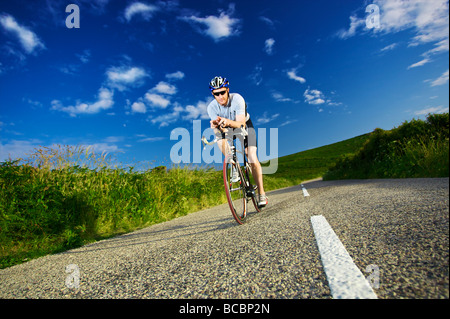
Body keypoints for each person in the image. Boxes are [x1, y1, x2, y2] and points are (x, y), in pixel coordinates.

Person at [206, 76, 268, 207]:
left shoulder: (237, 99)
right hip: (227, 128)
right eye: (216, 94)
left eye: (223, 92)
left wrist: (227, 121)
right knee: (218, 137)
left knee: (251, 156)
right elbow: (219, 133)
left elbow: (241, 125)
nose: (220, 96)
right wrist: (216, 127)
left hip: (244, 125)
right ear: (213, 94)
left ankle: (261, 193)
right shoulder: (211, 107)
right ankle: (233, 164)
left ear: (227, 90)